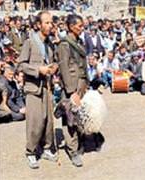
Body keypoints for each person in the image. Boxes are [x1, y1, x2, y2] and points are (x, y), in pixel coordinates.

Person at [18, 11, 59, 169]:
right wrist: (38, 69)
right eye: (47, 22)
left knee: (48, 120)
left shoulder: (49, 44)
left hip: (47, 87)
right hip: (33, 88)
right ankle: (31, 152)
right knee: (35, 121)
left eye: (51, 23)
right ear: (38, 25)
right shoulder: (30, 42)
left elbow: (54, 61)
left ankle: (47, 148)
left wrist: (53, 68)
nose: (50, 25)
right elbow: (21, 65)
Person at [56, 14, 87, 167]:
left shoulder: (78, 42)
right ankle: (72, 151)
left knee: (79, 116)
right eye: (79, 26)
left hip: (81, 85)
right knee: (70, 120)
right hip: (72, 87)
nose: (82, 28)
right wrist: (70, 91)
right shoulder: (64, 45)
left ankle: (79, 143)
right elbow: (64, 69)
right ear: (70, 26)